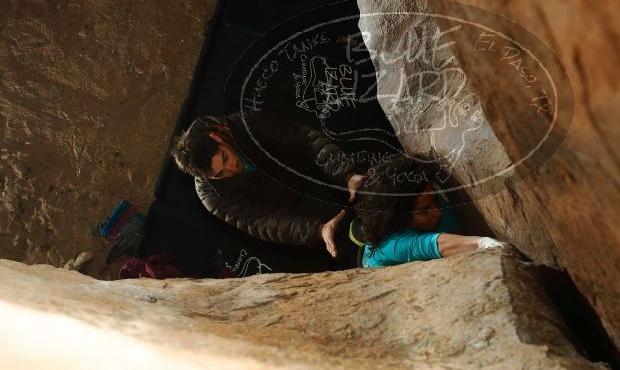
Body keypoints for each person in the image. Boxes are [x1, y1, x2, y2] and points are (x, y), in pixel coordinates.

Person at [171, 106, 362, 261]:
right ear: (208, 177)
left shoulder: (244, 124)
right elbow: (263, 223)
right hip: (296, 213)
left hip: (315, 174)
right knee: (350, 249)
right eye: (221, 173)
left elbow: (302, 139)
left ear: (217, 137)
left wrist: (347, 174)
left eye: (225, 157)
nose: (233, 168)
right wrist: (318, 231)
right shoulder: (211, 196)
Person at [354, 154, 505, 268]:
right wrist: (485, 243)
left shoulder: (429, 201)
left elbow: (458, 240)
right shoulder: (391, 245)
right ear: (399, 216)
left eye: (435, 200)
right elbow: (432, 245)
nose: (437, 212)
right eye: (424, 210)